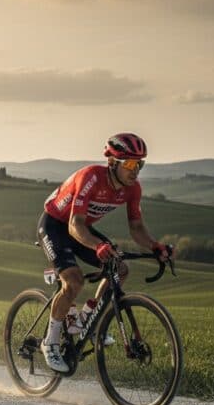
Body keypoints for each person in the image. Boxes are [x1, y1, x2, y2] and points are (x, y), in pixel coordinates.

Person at [37, 133, 173, 373]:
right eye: (130, 164)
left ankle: (87, 319)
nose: (136, 170)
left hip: (80, 227)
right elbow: (74, 225)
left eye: (140, 164)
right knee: (73, 281)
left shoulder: (132, 189)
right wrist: (97, 246)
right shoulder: (91, 178)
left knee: (119, 269)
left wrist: (154, 246)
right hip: (56, 224)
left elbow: (137, 228)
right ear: (112, 162)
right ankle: (50, 343)